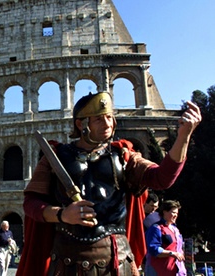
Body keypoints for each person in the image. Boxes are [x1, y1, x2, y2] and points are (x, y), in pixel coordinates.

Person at [17, 92, 201, 276]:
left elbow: (162, 178)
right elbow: (31, 203)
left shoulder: (124, 156)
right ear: (81, 124)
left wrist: (183, 136)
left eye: (109, 117)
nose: (108, 124)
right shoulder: (55, 156)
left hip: (117, 259)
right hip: (67, 259)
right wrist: (62, 214)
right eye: (98, 119)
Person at [145, 200, 186, 275]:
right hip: (158, 271)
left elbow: (179, 248)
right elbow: (153, 249)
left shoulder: (176, 230)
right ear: (164, 212)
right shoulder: (156, 228)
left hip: (176, 272)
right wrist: (172, 253)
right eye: (173, 212)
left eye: (177, 213)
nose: (175, 215)